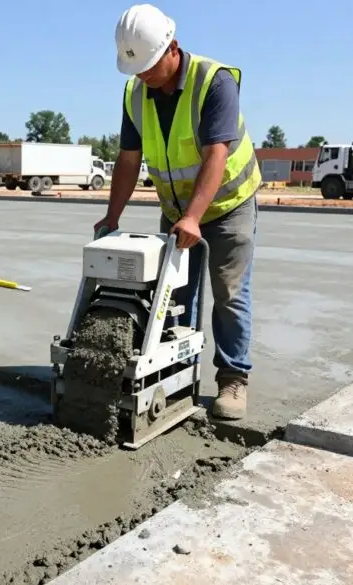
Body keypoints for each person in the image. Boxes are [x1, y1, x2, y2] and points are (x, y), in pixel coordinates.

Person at [95, 3, 261, 420]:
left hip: (227, 203)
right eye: (137, 69)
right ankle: (175, 374)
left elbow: (216, 153)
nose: (143, 76)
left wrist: (194, 217)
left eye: (150, 66)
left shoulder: (214, 82)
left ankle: (233, 378)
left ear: (173, 47)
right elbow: (129, 159)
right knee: (173, 296)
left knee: (228, 292)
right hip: (176, 207)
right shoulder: (135, 92)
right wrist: (112, 216)